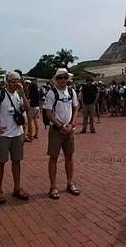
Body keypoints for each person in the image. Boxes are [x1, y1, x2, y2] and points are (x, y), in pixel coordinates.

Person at [0, 71, 31, 204]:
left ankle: (17, 188)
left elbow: (27, 108)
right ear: (7, 82)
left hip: (18, 134)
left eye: (18, 81)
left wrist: (22, 93)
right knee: (1, 163)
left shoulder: (18, 94)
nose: (16, 83)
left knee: (17, 162)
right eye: (13, 81)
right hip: (3, 135)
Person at [43, 68, 81, 200]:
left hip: (69, 129)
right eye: (60, 78)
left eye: (65, 77)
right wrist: (61, 125)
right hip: (56, 130)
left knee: (69, 157)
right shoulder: (52, 93)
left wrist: (72, 124)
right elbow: (48, 113)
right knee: (53, 157)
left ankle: (70, 182)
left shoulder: (71, 91)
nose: (63, 80)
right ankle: (53, 186)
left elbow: (76, 108)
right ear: (56, 79)